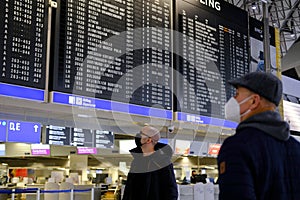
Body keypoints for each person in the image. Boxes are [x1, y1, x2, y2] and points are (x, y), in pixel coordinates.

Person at [218, 71, 300, 199]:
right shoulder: (296, 147)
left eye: (237, 94)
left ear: (254, 101)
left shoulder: (237, 146)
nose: (233, 100)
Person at [122, 126, 178, 200]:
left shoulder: (163, 162)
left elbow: (171, 191)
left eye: (141, 134)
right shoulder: (136, 162)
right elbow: (129, 189)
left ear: (148, 140)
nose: (138, 136)